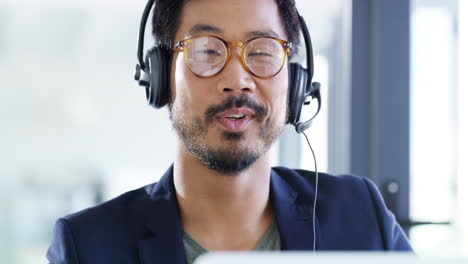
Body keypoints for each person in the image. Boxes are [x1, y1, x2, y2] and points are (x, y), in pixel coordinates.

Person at [47, 0, 412, 263]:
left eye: (262, 51)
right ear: (160, 77)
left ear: (297, 84)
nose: (237, 80)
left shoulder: (360, 215)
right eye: (206, 51)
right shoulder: (88, 247)